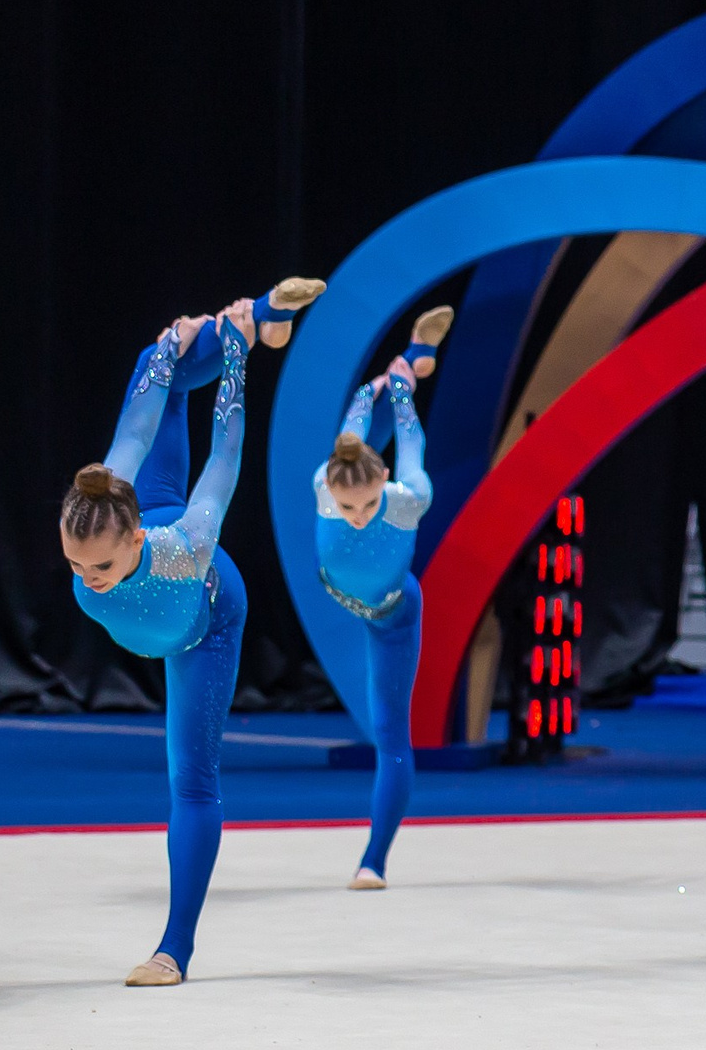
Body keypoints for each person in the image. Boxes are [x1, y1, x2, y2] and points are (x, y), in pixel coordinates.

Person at [62, 279, 326, 986]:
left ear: (136, 536)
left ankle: (174, 949)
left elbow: (225, 455)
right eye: (75, 563)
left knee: (192, 782)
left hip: (203, 618)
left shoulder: (185, 542)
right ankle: (262, 314)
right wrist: (163, 357)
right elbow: (137, 427)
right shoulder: (103, 499)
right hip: (153, 540)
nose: (87, 576)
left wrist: (236, 360)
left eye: (100, 565)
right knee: (158, 362)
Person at [315, 307, 455, 890]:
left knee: (390, 734)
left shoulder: (407, 496)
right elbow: (351, 436)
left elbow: (410, 443)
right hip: (350, 597)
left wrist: (399, 393)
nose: (358, 514)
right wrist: (373, 391)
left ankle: (374, 859)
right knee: (357, 433)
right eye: (350, 508)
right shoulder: (327, 483)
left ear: (383, 490)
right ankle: (412, 359)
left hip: (395, 613)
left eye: (368, 503)